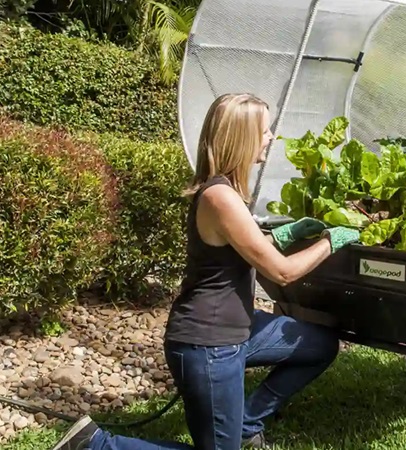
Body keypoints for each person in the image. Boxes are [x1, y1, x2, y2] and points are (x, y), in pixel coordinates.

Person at [52, 93, 360, 450]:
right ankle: (95, 445)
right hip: (209, 344)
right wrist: (330, 241)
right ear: (242, 138)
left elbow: (242, 250)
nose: (271, 137)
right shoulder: (220, 198)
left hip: (238, 330)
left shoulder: (226, 192)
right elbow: (282, 273)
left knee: (318, 344)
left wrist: (285, 233)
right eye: (264, 130)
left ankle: (245, 424)